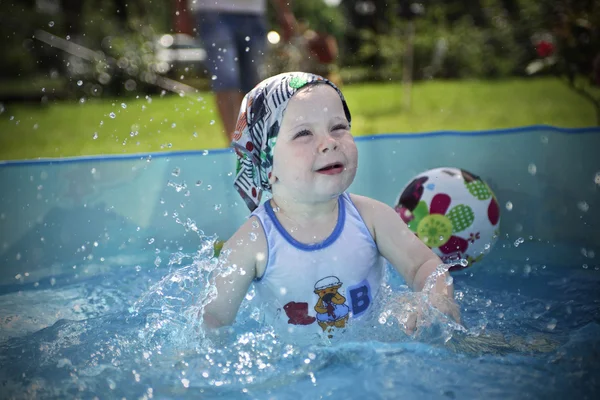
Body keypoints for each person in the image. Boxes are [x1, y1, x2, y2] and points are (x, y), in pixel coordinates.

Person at [202, 72, 461, 340]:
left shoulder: (371, 218)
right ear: (267, 166)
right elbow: (215, 318)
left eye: (338, 127)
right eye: (304, 133)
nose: (330, 142)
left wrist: (435, 299)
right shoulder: (253, 242)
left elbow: (423, 265)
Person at [189, 0, 297, 142]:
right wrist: (180, 11)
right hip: (213, 10)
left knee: (253, 83)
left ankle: (250, 140)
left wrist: (284, 11)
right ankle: (234, 143)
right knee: (226, 78)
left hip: (254, 13)